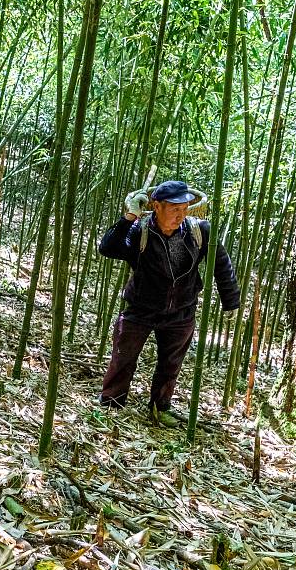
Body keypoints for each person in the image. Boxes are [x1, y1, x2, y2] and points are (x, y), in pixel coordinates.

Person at [97, 180, 241, 427]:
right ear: (157, 206)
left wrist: (231, 302)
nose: (180, 215)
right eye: (174, 209)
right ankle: (112, 403)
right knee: (124, 356)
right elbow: (108, 248)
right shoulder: (139, 230)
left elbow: (222, 266)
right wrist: (130, 216)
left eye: (184, 209)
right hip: (141, 307)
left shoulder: (200, 231)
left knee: (170, 364)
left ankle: (160, 407)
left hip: (181, 310)